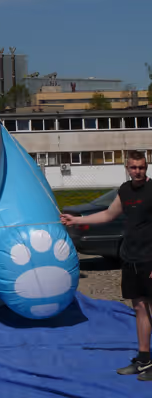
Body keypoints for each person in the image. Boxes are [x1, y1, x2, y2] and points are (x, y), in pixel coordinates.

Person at [61, 150, 152, 381]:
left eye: (141, 167)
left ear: (146, 167)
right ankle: (144, 359)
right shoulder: (125, 190)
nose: (137, 171)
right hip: (130, 258)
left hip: (149, 259)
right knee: (140, 308)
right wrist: (77, 219)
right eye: (133, 167)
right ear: (127, 168)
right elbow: (108, 215)